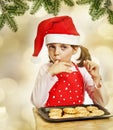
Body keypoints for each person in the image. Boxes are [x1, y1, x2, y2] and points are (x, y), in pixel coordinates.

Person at [31, 16, 109, 108]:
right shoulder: (45, 69)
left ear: (74, 49)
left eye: (63, 47)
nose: (56, 53)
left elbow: (101, 103)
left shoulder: (82, 70)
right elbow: (37, 103)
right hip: (52, 120)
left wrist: (96, 78)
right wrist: (50, 73)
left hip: (77, 120)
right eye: (52, 47)